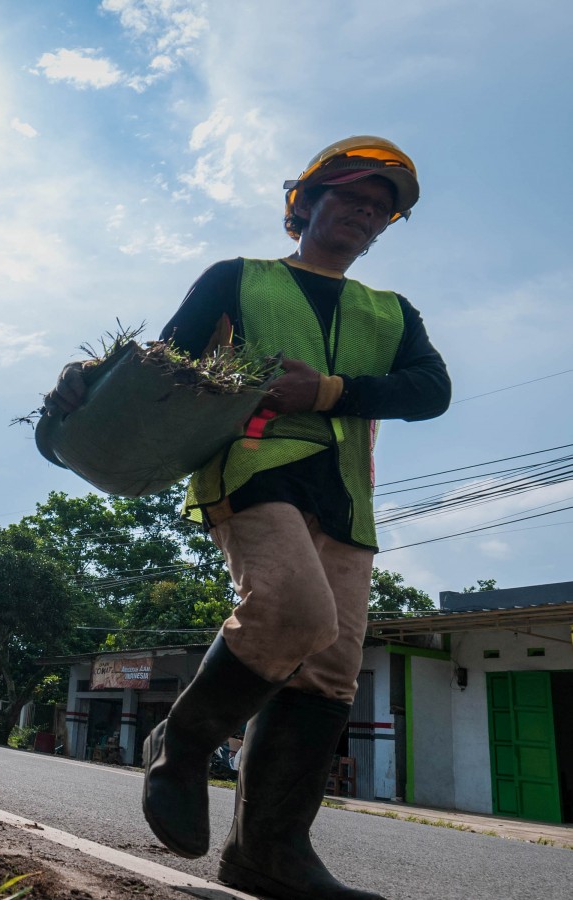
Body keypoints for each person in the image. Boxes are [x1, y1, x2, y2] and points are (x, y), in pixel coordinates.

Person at [47, 136, 448, 900]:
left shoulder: (392, 313)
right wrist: (88, 381)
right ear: (304, 205)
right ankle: (184, 743)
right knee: (294, 613)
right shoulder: (239, 279)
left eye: (377, 210)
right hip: (255, 469)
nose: (363, 216)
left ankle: (269, 854)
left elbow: (431, 391)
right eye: (349, 198)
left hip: (347, 497)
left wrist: (329, 391)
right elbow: (165, 362)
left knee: (330, 673)